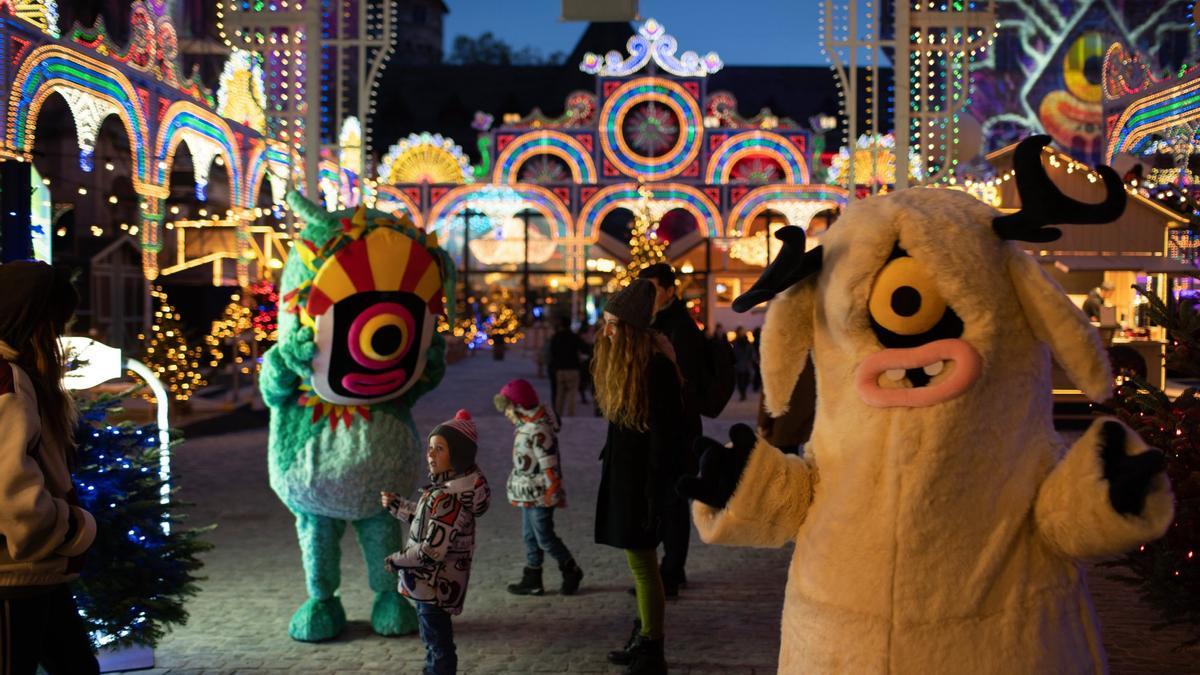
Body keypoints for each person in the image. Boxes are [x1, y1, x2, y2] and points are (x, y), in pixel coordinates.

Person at [0, 261, 100, 675]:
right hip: (14, 576)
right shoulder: (8, 381)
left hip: (35, 575)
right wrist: (70, 527)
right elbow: (10, 492)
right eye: (57, 325)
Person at [593, 279, 681, 675]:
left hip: (643, 483)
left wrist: (653, 492)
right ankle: (643, 632)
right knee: (637, 563)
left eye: (612, 324)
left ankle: (652, 646)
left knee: (645, 566)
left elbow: (665, 438)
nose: (605, 330)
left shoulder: (654, 368)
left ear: (630, 329)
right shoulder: (625, 365)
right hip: (626, 478)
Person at [382, 410, 490, 675]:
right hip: (438, 586)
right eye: (430, 447)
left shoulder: (448, 498)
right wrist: (398, 506)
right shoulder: (451, 491)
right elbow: (426, 520)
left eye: (439, 449)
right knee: (435, 642)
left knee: (438, 645)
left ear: (458, 454)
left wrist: (396, 559)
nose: (430, 454)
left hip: (432, 586)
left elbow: (431, 551)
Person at [636, 264, 706, 597]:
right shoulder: (655, 323)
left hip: (678, 429)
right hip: (662, 427)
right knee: (662, 499)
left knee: (674, 502)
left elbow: (685, 382)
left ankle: (672, 572)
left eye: (653, 288)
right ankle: (666, 569)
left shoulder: (679, 327)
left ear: (669, 290)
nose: (647, 296)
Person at [495, 378, 584, 596]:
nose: (506, 414)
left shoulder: (538, 429)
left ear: (518, 406)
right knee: (529, 535)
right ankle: (533, 577)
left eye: (508, 409)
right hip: (528, 491)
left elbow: (548, 461)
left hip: (541, 492)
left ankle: (571, 568)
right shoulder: (526, 426)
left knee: (544, 536)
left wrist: (553, 489)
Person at [548, 316, 588, 418]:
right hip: (573, 369)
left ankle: (558, 415)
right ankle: (570, 414)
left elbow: (552, 353)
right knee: (572, 394)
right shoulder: (574, 337)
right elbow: (585, 349)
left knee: (560, 394)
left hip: (560, 369)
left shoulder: (556, 337)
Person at [730, 326, 756, 401]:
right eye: (740, 331)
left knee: (746, 380)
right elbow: (732, 353)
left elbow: (752, 351)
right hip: (738, 365)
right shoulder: (734, 342)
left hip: (746, 365)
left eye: (742, 331)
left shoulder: (748, 341)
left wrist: (753, 359)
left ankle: (743, 393)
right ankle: (742, 394)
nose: (741, 333)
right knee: (739, 382)